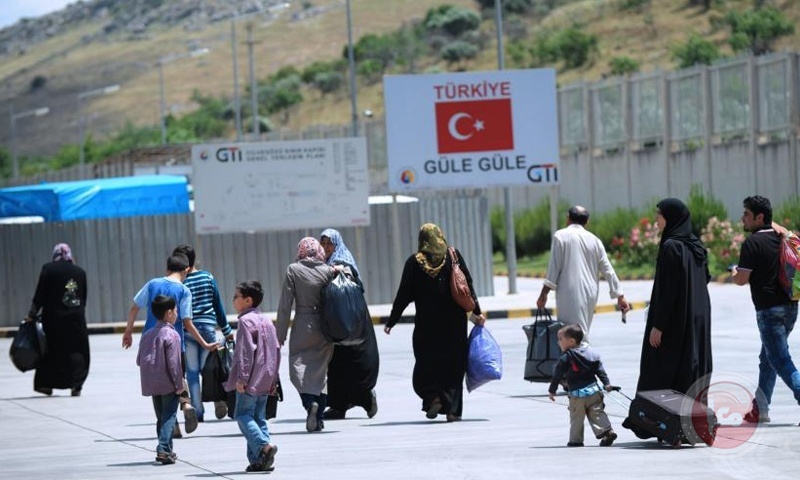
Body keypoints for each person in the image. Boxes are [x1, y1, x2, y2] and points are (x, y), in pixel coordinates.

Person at [623, 198, 713, 439]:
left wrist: (659, 325)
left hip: (675, 320)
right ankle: (691, 424)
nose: (656, 220)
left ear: (671, 218)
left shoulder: (672, 246)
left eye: (659, 215)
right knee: (691, 365)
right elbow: (705, 278)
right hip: (697, 315)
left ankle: (654, 421)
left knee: (662, 366)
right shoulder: (695, 245)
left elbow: (668, 290)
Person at [384, 223, 486, 422]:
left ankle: (433, 397)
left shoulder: (414, 263)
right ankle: (453, 411)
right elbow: (467, 285)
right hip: (454, 325)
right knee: (454, 368)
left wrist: (392, 320)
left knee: (426, 365)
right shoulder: (453, 256)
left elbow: (403, 295)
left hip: (427, 326)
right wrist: (477, 312)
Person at [122, 253, 217, 437]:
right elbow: (188, 322)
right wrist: (205, 344)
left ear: (167, 269)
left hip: (150, 344)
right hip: (174, 343)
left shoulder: (152, 284)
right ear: (187, 270)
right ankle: (186, 404)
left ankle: (171, 427)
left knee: (157, 386)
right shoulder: (184, 290)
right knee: (178, 377)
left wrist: (128, 332)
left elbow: (134, 308)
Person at [731, 195, 800, 423]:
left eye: (747, 214)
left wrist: (734, 273)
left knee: (779, 359)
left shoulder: (752, 244)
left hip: (769, 311)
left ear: (759, 217)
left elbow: (742, 279)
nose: (743, 218)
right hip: (791, 307)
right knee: (768, 357)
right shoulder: (783, 237)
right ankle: (760, 409)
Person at [537, 206, 630, 342]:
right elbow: (608, 270)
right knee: (579, 333)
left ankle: (584, 356)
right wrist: (620, 296)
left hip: (570, 293)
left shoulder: (560, 236)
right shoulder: (595, 240)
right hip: (590, 293)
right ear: (587, 222)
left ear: (568, 219)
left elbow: (553, 269)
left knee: (572, 336)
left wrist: (543, 295)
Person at [276, 237, 340, 433]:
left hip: (303, 325)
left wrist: (280, 333)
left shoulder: (293, 270)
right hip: (325, 327)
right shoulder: (328, 270)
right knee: (321, 373)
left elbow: (285, 304)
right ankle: (318, 418)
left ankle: (309, 403)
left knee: (297, 367)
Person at [319, 228, 379, 420]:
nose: (326, 247)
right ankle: (339, 406)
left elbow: (351, 286)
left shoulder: (343, 263)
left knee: (352, 362)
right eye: (323, 243)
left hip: (350, 322)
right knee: (337, 365)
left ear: (337, 245)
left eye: (330, 244)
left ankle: (365, 398)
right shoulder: (324, 264)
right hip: (336, 323)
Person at [172, 244, 234, 422]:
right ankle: (218, 399)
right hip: (207, 330)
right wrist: (226, 330)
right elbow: (217, 305)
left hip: (188, 331)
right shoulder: (207, 277)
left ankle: (197, 411)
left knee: (192, 372)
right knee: (211, 369)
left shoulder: (180, 283)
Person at [225, 281, 280, 473]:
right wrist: (274, 379)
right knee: (259, 417)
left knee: (242, 415)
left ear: (248, 300)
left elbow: (245, 352)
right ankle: (259, 461)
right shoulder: (267, 320)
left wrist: (242, 379)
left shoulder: (245, 322)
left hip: (250, 378)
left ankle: (264, 446)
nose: (233, 300)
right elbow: (276, 350)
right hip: (266, 377)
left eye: (236, 296)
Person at [25, 243, 89, 397]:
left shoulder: (48, 269)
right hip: (76, 320)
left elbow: (40, 295)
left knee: (50, 352)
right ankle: (76, 386)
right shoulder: (80, 272)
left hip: (53, 320)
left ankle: (46, 385)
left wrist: (31, 314)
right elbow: (83, 298)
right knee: (77, 352)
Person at [548, 324, 617, 447]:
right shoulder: (591, 354)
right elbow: (600, 370)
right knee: (597, 412)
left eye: (560, 339)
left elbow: (557, 375)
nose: (558, 342)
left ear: (571, 341)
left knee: (577, 417)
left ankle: (576, 440)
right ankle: (607, 431)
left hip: (577, 396)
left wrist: (552, 391)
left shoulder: (566, 358)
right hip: (594, 392)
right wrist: (606, 383)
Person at [136, 295, 184, 465]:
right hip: (168, 383)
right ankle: (163, 449)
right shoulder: (172, 335)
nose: (177, 313)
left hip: (151, 383)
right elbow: (174, 364)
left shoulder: (147, 334)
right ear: (169, 313)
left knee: (161, 417)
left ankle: (167, 451)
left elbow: (139, 360)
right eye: (176, 310)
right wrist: (179, 384)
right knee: (169, 416)